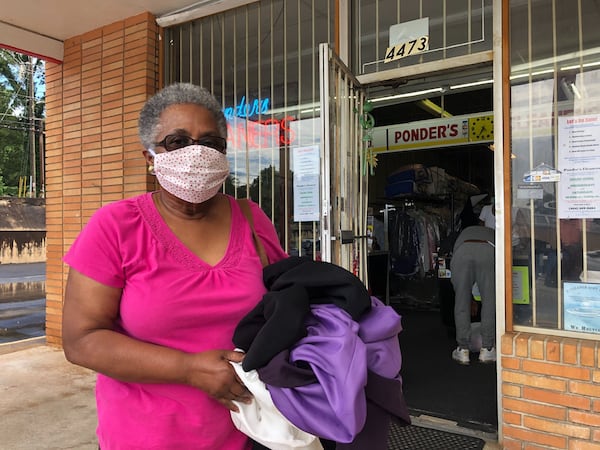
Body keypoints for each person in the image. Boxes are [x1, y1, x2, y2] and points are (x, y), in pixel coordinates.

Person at [61, 82, 288, 450]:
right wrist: (188, 368)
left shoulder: (252, 219)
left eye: (210, 142)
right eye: (178, 142)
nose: (196, 152)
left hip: (254, 433)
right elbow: (81, 340)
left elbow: (280, 308)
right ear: (150, 158)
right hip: (144, 436)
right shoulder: (116, 226)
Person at [449, 225, 496, 364]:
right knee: (490, 301)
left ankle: (463, 350)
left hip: (462, 252)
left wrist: (470, 298)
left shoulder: (465, 232)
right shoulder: (493, 232)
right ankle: (487, 349)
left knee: (461, 301)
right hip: (488, 250)